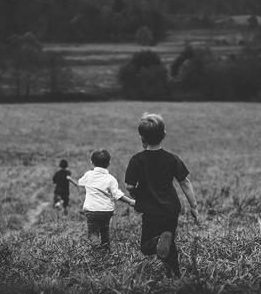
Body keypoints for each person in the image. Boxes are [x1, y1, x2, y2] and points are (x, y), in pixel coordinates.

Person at [125, 113, 199, 277]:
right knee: (169, 243)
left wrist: (136, 193)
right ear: (163, 135)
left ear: (142, 137)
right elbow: (185, 182)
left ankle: (159, 241)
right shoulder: (172, 159)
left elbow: (129, 185)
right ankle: (175, 274)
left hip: (151, 211)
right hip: (171, 209)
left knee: (146, 246)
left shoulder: (137, 160)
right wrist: (193, 206)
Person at [78, 149, 135, 252]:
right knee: (105, 230)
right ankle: (106, 251)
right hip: (106, 211)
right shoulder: (111, 179)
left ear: (91, 162)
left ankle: (95, 250)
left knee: (93, 232)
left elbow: (80, 182)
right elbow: (117, 194)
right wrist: (130, 201)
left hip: (91, 211)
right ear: (109, 163)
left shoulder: (88, 175)